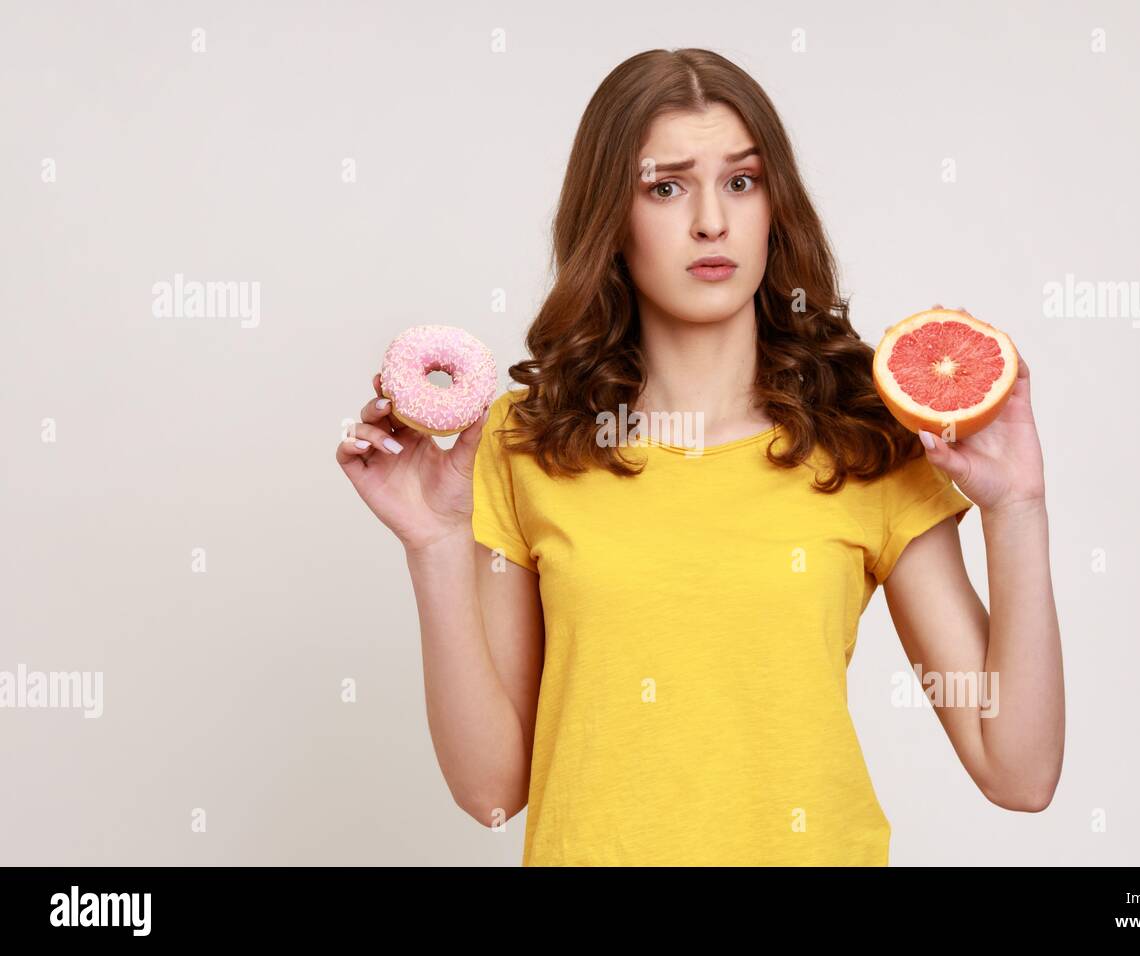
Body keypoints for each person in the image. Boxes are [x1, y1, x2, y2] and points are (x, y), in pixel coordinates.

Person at [336, 48, 1064, 866]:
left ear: (773, 208)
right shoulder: (526, 440)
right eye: (667, 186)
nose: (712, 220)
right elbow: (494, 794)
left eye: (742, 182)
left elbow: (1020, 771)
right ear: (611, 217)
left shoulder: (865, 437)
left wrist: (1018, 511)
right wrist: (435, 549)